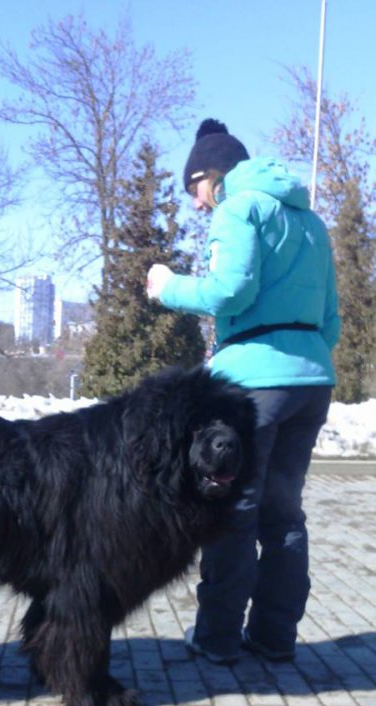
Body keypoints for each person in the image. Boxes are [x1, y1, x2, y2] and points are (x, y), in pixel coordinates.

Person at [147, 119, 339, 664]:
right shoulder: (310, 220)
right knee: (284, 515)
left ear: (213, 175)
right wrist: (303, 358)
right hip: (311, 382)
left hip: (256, 387)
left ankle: (216, 639)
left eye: (195, 190)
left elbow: (228, 291)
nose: (197, 205)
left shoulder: (240, 209)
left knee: (234, 510)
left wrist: (168, 288)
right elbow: (331, 318)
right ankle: (274, 637)